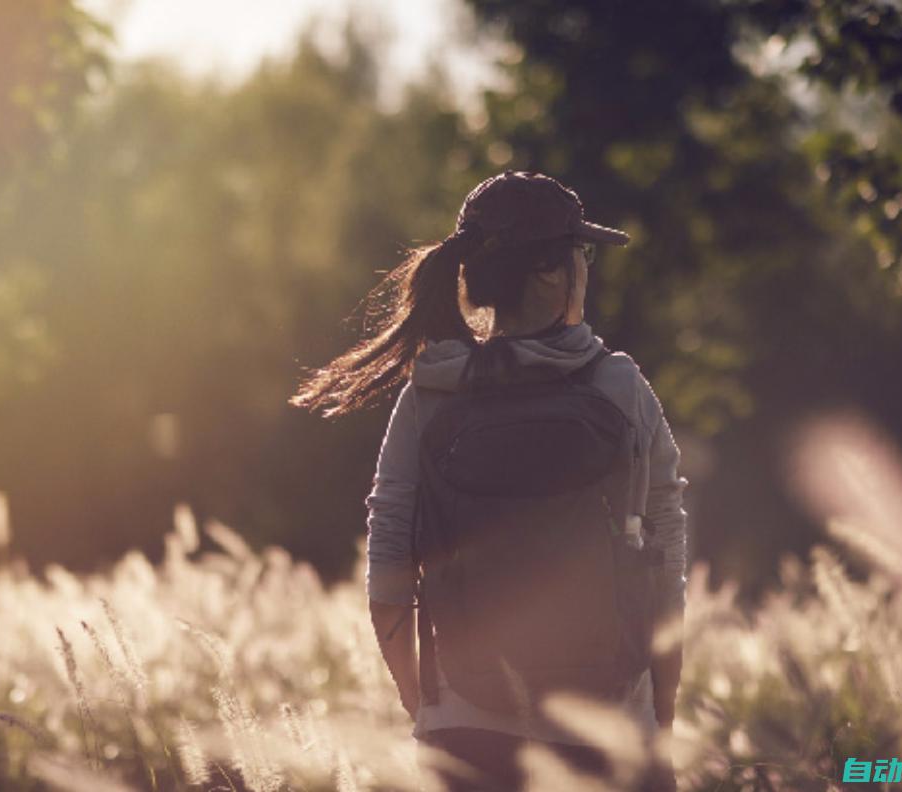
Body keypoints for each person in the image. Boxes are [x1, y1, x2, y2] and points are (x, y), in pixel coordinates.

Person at [291, 171, 687, 791]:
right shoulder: (620, 389)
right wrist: (661, 712)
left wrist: (428, 708)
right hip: (606, 725)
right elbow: (664, 558)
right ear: (551, 273)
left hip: (466, 731)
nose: (587, 268)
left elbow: (390, 565)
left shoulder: (432, 393)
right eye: (580, 254)